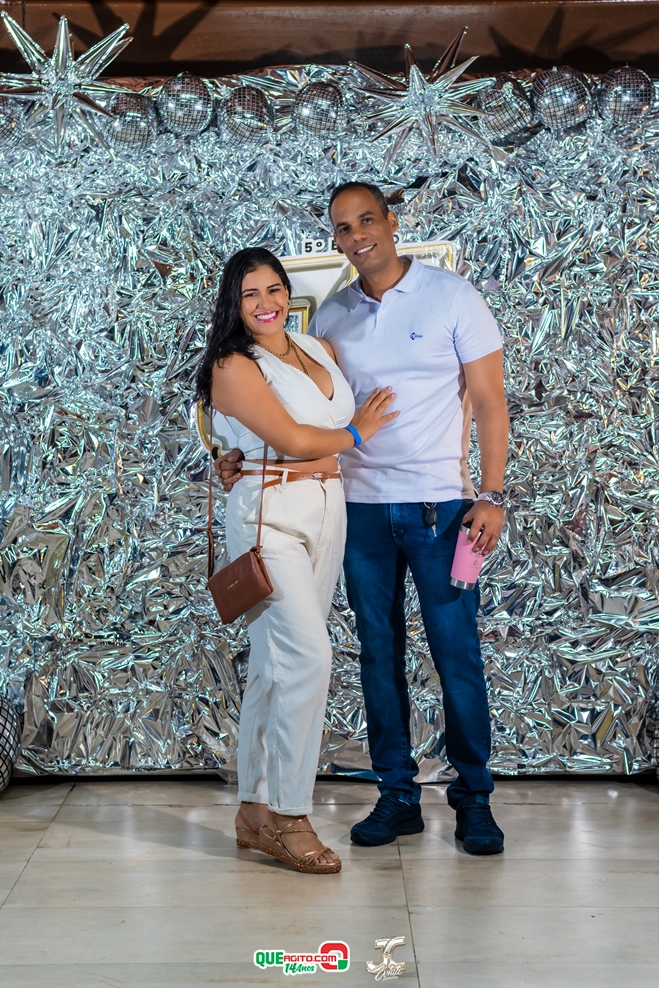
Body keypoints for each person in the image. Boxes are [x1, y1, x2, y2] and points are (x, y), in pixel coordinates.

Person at [219, 183, 510, 856]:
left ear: (391, 221)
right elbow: (290, 407)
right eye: (343, 228)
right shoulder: (332, 316)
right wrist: (235, 454)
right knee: (378, 655)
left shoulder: (452, 297)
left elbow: (490, 400)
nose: (357, 236)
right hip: (356, 512)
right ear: (336, 239)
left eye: (367, 221)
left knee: (456, 655)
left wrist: (493, 493)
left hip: (442, 510)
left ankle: (474, 800)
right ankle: (396, 796)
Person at [194, 246, 397, 874]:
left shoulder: (315, 348)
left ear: (289, 292)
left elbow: (290, 438)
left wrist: (231, 453)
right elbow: (291, 438)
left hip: (327, 510)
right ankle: (289, 815)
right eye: (250, 294)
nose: (266, 303)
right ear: (234, 304)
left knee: (274, 665)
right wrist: (358, 433)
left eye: (274, 289)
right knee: (309, 656)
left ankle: (253, 811)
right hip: (269, 515)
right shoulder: (233, 363)